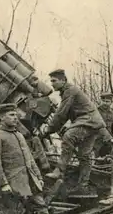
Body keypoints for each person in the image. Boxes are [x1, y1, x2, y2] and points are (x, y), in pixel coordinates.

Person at [0, 103, 65, 214]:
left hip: (29, 180)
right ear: (2, 117)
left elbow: (30, 159)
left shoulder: (19, 135)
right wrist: (3, 184)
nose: (16, 118)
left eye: (16, 115)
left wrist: (38, 177)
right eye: (11, 115)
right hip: (12, 181)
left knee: (41, 208)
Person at [42, 69, 106, 197]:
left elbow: (61, 113)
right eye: (51, 81)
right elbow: (64, 115)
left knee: (69, 136)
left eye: (54, 81)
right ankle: (83, 186)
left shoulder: (69, 90)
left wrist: (48, 130)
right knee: (84, 155)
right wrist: (53, 128)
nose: (52, 84)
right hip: (93, 123)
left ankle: (59, 171)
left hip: (88, 121)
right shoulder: (68, 91)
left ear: (63, 80)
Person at [94, 92, 113, 158]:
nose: (105, 103)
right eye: (103, 101)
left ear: (111, 102)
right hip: (97, 140)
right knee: (96, 158)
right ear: (101, 101)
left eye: (107, 101)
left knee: (107, 158)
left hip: (109, 141)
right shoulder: (96, 111)